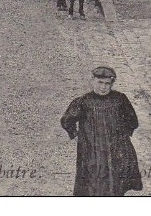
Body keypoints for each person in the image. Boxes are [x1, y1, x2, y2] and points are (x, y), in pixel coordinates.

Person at [60, 66, 142, 197]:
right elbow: (67, 120)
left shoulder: (120, 99)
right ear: (92, 81)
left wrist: (123, 137)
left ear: (112, 84)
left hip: (116, 150)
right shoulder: (84, 101)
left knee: (116, 183)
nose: (103, 87)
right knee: (93, 184)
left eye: (107, 84)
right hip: (92, 151)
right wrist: (75, 135)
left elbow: (132, 120)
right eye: (100, 82)